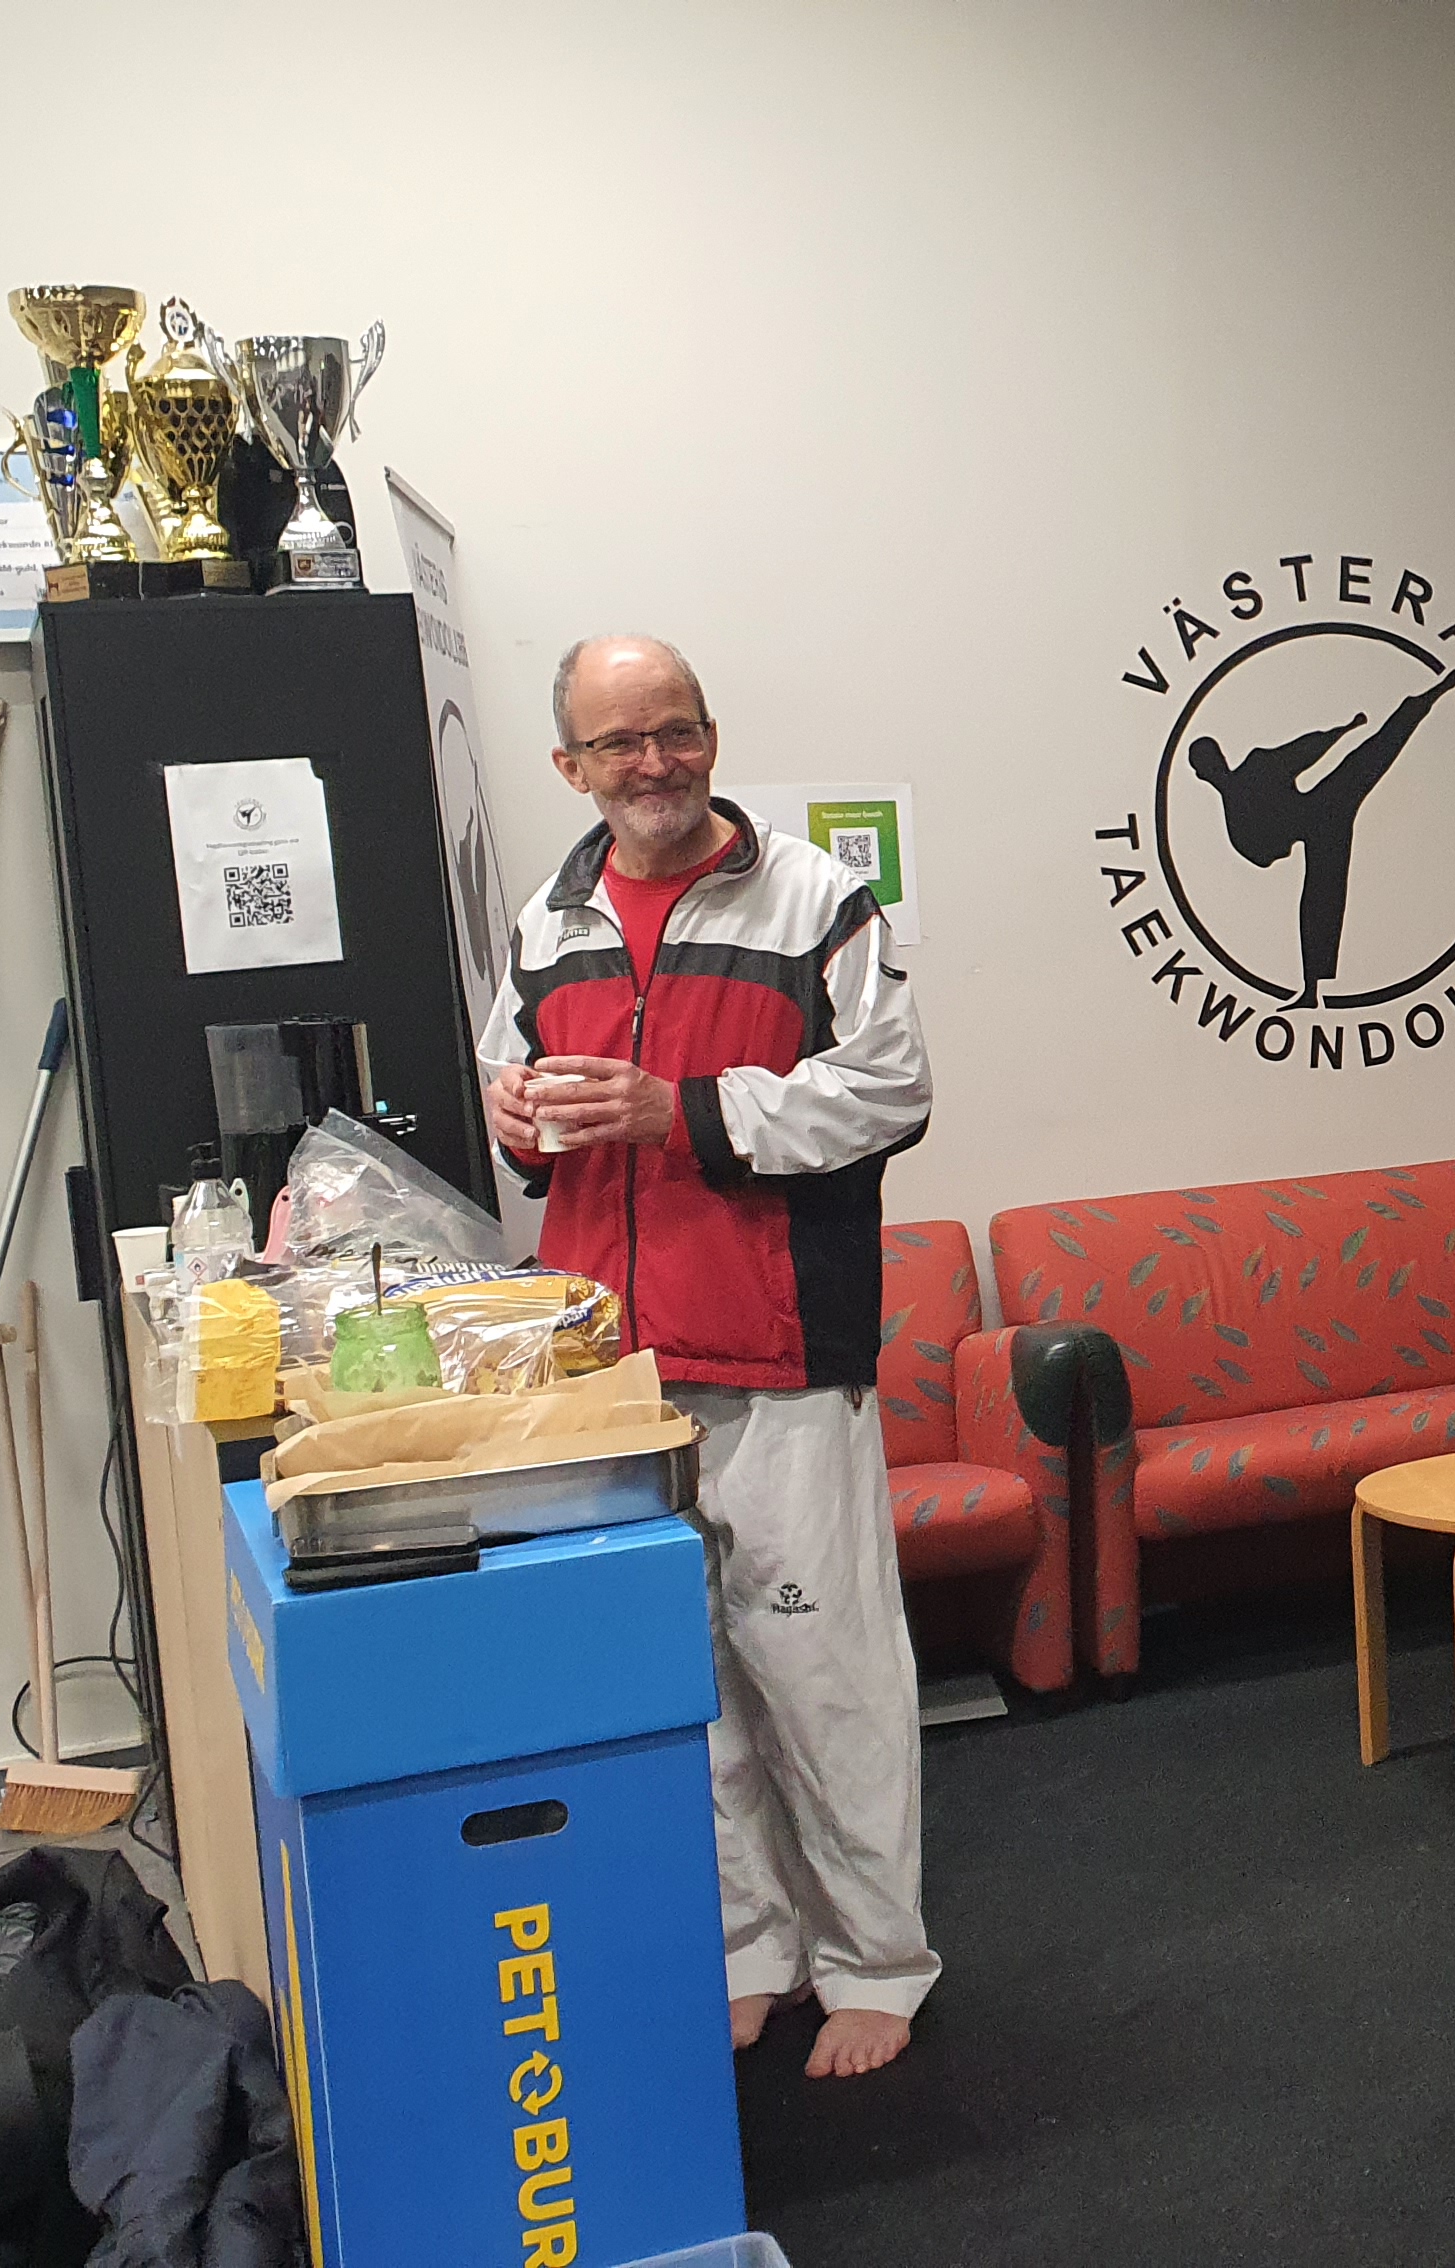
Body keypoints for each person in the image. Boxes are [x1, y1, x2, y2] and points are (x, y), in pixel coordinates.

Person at [477, 634, 939, 2081]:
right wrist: (510, 1108)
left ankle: (879, 1961)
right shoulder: (546, 924)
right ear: (571, 766)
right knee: (688, 1680)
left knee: (824, 1674)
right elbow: (514, 1076)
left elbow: (887, 1092)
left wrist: (678, 1112)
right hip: (605, 1367)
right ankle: (755, 1948)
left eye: (675, 732)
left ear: (713, 737)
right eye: (621, 744)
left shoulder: (817, 898)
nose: (655, 763)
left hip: (782, 1349)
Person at [1186, 666, 1455, 1001]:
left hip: (1320, 810)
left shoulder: (1254, 772)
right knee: (1320, 894)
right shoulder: (1243, 801)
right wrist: (1342, 732)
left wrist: (1342, 731)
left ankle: (1421, 702)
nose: (1212, 770)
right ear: (1205, 773)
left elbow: (1302, 751)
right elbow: (1264, 853)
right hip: (1319, 820)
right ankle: (1311, 988)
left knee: (1367, 758)